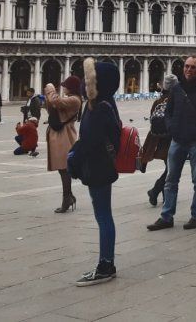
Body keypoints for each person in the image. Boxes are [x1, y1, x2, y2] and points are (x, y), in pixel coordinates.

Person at [147, 55, 196, 231]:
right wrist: (171, 128)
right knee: (170, 180)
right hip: (177, 140)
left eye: (193, 67)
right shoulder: (176, 89)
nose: (188, 70)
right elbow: (168, 112)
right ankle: (166, 216)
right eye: (186, 66)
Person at [72, 58, 121, 285]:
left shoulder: (100, 108)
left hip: (98, 167)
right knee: (104, 216)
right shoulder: (105, 103)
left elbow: (89, 141)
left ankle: (105, 265)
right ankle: (106, 263)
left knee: (103, 217)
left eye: (88, 78)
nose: (84, 82)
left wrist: (73, 158)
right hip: (102, 165)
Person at [46, 77, 82, 213]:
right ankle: (68, 196)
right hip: (60, 135)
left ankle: (67, 198)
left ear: (71, 87)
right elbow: (52, 107)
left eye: (65, 86)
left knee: (64, 168)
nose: (63, 88)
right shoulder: (70, 99)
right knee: (62, 169)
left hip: (65, 136)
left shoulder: (75, 100)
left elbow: (56, 101)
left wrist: (50, 89)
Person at [141, 76, 174, 207]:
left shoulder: (158, 101)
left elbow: (151, 119)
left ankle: (163, 195)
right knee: (171, 169)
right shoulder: (175, 100)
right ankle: (155, 191)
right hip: (170, 139)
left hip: (157, 140)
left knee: (170, 168)